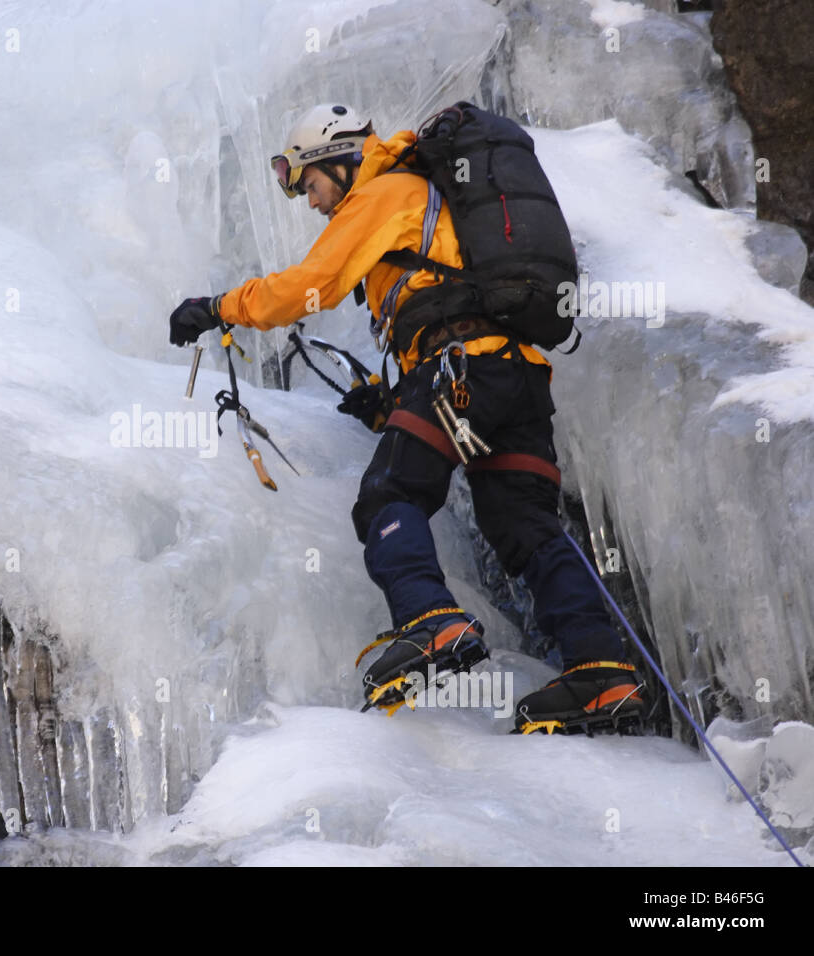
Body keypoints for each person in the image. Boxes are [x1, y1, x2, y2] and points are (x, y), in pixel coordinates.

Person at [168, 102, 646, 734]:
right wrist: (393, 407)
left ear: (337, 162)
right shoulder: (431, 202)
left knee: (389, 492)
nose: (311, 203)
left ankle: (429, 621)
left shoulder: (386, 190)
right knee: (524, 526)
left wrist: (219, 307)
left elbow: (313, 285)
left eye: (310, 185)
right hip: (517, 377)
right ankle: (600, 671)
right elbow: (445, 300)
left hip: (463, 369)